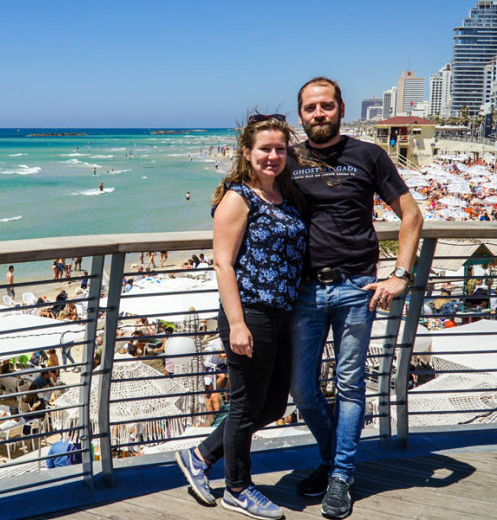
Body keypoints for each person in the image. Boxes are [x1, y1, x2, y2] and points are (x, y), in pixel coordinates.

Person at [289, 77, 422, 519]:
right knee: (303, 390)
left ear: (341, 108)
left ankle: (341, 475)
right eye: (311, 108)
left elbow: (411, 215)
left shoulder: (368, 155)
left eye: (326, 105)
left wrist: (400, 274)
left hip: (355, 288)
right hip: (304, 288)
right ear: (301, 114)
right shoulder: (288, 158)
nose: (319, 113)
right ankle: (333, 463)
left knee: (349, 386)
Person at [175, 113, 306, 520]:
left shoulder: (284, 195)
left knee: (272, 406)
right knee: (247, 406)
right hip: (249, 313)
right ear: (247, 153)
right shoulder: (238, 198)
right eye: (264, 149)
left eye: (280, 149)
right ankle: (238, 487)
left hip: (282, 313)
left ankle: (199, 455)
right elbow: (223, 265)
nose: (273, 156)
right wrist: (237, 324)